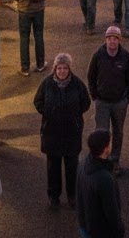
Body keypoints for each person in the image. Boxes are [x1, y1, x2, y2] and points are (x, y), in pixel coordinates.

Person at [34, 53, 92, 209]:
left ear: (69, 69)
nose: (62, 71)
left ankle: (72, 196)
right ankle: (54, 197)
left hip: (71, 133)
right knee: (53, 168)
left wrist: (74, 114)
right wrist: (47, 111)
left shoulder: (77, 84)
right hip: (51, 133)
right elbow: (37, 101)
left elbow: (86, 102)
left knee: (72, 167)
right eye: (59, 68)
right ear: (55, 69)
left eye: (65, 68)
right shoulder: (46, 84)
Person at [86, 25, 129, 175]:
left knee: (118, 132)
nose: (112, 41)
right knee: (101, 132)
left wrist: (128, 98)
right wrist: (94, 95)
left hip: (120, 102)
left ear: (119, 40)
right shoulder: (98, 55)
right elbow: (91, 76)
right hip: (102, 101)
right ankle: (101, 160)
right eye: (109, 38)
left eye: (115, 39)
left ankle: (114, 161)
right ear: (106, 40)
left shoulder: (126, 56)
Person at [75, 129, 125, 238]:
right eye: (110, 142)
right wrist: (120, 230)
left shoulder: (83, 163)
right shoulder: (104, 178)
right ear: (106, 149)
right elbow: (112, 212)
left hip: (86, 225)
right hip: (101, 231)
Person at [11, 0, 51, 75]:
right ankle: (40, 64)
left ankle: (25, 67)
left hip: (24, 11)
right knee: (39, 36)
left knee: (24, 38)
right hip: (38, 10)